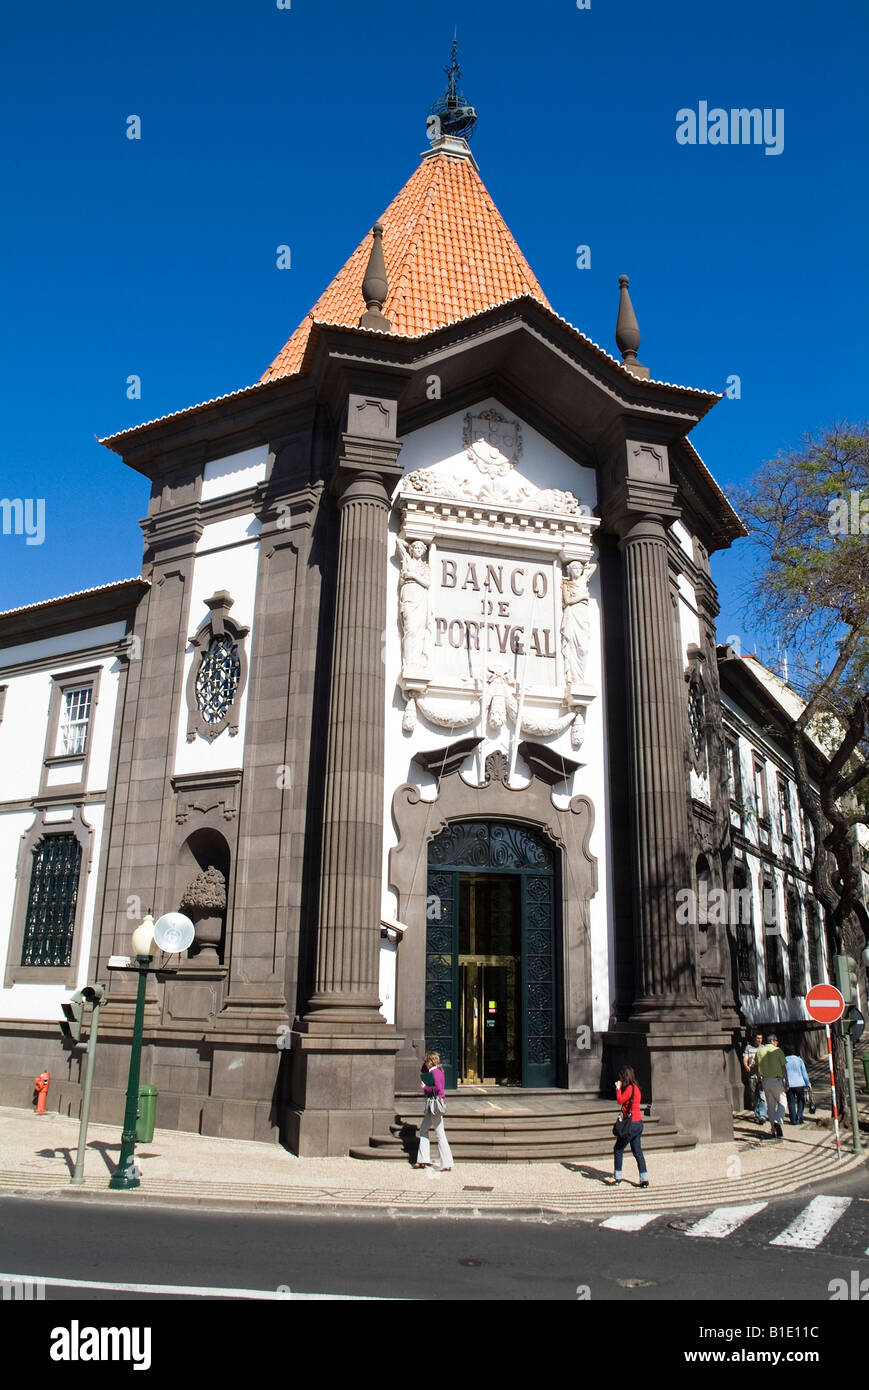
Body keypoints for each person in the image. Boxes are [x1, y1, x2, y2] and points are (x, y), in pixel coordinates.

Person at [608, 1065, 649, 1188]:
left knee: (618, 1149)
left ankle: (618, 1177)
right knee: (638, 1152)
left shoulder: (630, 1088)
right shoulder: (637, 1088)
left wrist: (618, 1088)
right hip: (638, 1122)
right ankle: (644, 1178)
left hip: (630, 1124)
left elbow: (620, 1100)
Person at [414, 1051, 453, 1171]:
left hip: (434, 1105)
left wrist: (425, 1088)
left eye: (426, 1061)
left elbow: (437, 1088)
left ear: (429, 1062)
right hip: (435, 1104)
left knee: (438, 1133)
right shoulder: (439, 1071)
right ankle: (424, 1160)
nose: (424, 1064)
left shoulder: (435, 1072)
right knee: (425, 1130)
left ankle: (445, 1162)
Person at [755, 1032, 788, 1138]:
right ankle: (778, 1120)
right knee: (783, 1102)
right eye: (776, 1040)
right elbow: (783, 1067)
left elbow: (758, 1067)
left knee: (771, 1105)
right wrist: (786, 1080)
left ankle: (773, 1129)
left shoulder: (759, 1051)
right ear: (772, 1041)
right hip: (777, 1080)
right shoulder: (778, 1051)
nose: (777, 1043)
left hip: (765, 1080)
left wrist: (759, 1081)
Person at [742, 1031, 767, 1124]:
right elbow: (745, 1058)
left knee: (762, 1095)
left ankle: (763, 1115)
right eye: (758, 1038)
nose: (760, 1040)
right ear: (754, 1039)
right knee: (754, 1095)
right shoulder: (748, 1047)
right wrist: (746, 1066)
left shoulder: (763, 1048)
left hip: (761, 1075)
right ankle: (757, 1114)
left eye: (761, 1038)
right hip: (752, 1075)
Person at [784, 1049, 811, 1124]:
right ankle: (799, 1115)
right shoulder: (799, 1060)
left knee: (791, 1102)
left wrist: (784, 1083)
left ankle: (793, 1119)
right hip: (799, 1083)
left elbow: (783, 1073)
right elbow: (804, 1072)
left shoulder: (784, 1060)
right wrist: (808, 1083)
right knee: (801, 1100)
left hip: (789, 1084)